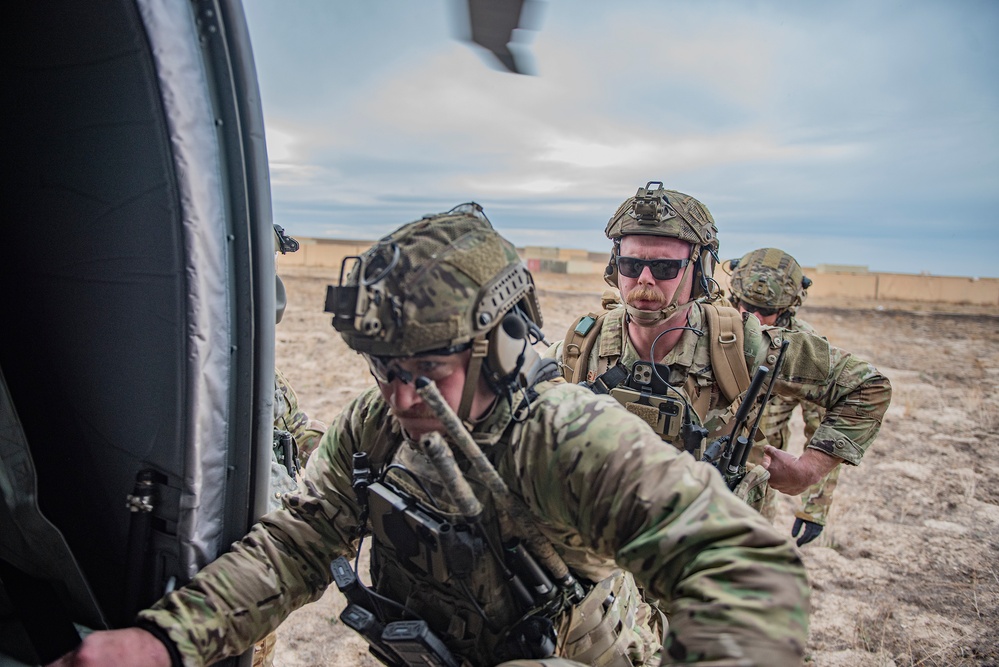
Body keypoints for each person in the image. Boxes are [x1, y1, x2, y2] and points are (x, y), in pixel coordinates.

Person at [50, 203, 809, 667]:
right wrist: (165, 640)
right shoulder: (376, 423)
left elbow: (745, 565)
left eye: (428, 370)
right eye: (384, 369)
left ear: (499, 345)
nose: (400, 395)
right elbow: (298, 543)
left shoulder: (565, 436)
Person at [546, 182, 891, 503]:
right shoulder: (583, 344)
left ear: (699, 273)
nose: (644, 279)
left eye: (665, 267)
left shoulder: (741, 345)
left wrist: (810, 468)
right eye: (631, 264)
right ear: (614, 266)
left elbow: (866, 386)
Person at [726, 248, 838, 546]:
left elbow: (822, 430)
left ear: (789, 309)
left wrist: (815, 507)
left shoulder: (804, 350)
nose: (755, 318)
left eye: (767, 311)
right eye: (747, 306)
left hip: (756, 478)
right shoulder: (712, 325)